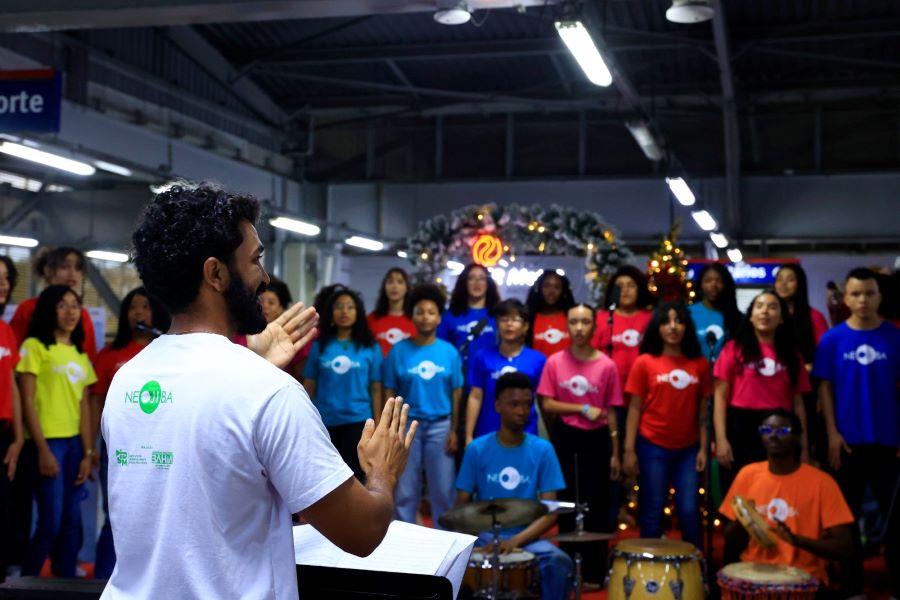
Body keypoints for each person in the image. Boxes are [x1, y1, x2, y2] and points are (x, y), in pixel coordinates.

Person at [101, 183, 416, 599]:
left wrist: (251, 362)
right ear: (216, 273)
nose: (265, 278)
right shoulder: (267, 391)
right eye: (255, 260)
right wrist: (382, 472)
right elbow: (363, 532)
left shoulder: (129, 379)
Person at [814, 267, 900, 600]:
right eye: (856, 294)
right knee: (846, 522)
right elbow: (825, 389)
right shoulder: (832, 339)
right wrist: (832, 435)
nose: (862, 300)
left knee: (894, 522)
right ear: (846, 298)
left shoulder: (894, 336)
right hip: (846, 444)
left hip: (888, 444)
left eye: (869, 293)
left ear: (879, 297)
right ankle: (851, 590)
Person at [456, 372, 573, 600]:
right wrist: (474, 542)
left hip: (529, 539)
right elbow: (460, 507)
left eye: (527, 404)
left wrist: (514, 542)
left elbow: (551, 512)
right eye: (514, 404)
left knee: (560, 562)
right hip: (485, 538)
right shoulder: (477, 449)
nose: (522, 411)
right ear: (497, 405)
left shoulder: (543, 450)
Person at [720, 409, 853, 597]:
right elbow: (730, 540)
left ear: (798, 438)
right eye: (766, 430)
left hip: (805, 581)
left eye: (782, 430)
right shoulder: (747, 475)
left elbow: (844, 547)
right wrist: (745, 521)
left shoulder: (822, 483)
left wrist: (798, 541)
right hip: (754, 578)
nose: (773, 436)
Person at [537, 303, 622, 585]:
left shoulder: (606, 364)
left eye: (585, 322)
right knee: (567, 504)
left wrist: (616, 453)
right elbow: (547, 404)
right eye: (574, 322)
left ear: (594, 327)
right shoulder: (555, 362)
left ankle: (595, 573)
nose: (579, 328)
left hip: (597, 439)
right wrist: (581, 408)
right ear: (566, 327)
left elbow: (611, 411)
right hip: (566, 437)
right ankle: (569, 572)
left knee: (596, 504)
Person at [88, 287, 170, 579]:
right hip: (117, 448)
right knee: (115, 516)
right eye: (133, 307)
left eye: (145, 306)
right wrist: (91, 448)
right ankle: (102, 581)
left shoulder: (167, 352)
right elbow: (95, 401)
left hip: (161, 447)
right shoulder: (109, 354)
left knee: (156, 516)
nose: (138, 313)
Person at [16, 285, 97, 577]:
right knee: (50, 523)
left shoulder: (79, 355)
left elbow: (85, 407)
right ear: (49, 309)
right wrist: (42, 449)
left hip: (75, 446)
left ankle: (65, 587)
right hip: (47, 444)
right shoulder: (34, 347)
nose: (70, 312)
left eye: (75, 305)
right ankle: (25, 583)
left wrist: (89, 453)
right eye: (62, 305)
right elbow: (26, 401)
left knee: (71, 524)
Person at [623, 303, 709, 549]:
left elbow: (703, 412)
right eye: (666, 321)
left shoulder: (700, 364)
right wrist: (629, 450)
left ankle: (696, 571)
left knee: (690, 510)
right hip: (652, 446)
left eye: (678, 320)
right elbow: (635, 409)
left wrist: (703, 448)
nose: (673, 327)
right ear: (657, 328)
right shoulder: (645, 362)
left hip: (689, 448)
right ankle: (649, 572)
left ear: (687, 326)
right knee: (652, 509)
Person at [714, 290, 811, 496]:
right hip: (740, 426)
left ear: (782, 317)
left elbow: (798, 402)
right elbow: (720, 397)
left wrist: (803, 445)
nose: (765, 312)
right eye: (759, 306)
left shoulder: (792, 355)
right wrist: (721, 439)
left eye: (772, 307)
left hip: (780, 429)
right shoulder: (733, 349)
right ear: (750, 316)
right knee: (739, 493)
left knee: (777, 491)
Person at [383, 284, 462, 528]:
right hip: (407, 429)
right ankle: (408, 547)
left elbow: (456, 392)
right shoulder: (399, 351)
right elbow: (389, 390)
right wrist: (389, 429)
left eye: (430, 312)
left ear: (439, 317)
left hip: (441, 427)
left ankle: (445, 547)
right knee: (405, 492)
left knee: (443, 492)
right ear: (412, 316)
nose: (425, 317)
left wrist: (454, 430)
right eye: (420, 312)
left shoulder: (449, 352)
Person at [303, 288, 383, 481]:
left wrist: (379, 425)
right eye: (339, 307)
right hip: (325, 422)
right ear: (331, 312)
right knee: (326, 479)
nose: (344, 311)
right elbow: (309, 385)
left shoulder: (370, 347)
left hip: (358, 422)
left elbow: (376, 388)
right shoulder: (319, 345)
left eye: (350, 307)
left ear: (358, 313)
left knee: (356, 478)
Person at [465, 299, 546, 445]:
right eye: (504, 319)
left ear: (525, 326)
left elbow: (542, 402)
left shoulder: (538, 360)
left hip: (526, 434)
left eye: (515, 319)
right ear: (497, 324)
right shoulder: (482, 357)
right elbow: (475, 396)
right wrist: (468, 436)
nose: (509, 324)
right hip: (487, 433)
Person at [9, 247, 99, 359]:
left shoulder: (82, 314)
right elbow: (11, 352)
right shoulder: (28, 308)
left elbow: (89, 358)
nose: (72, 273)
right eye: (64, 267)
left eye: (78, 268)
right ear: (47, 271)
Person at [591, 265, 655, 388]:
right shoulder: (601, 318)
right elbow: (591, 354)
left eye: (631, 285)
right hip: (607, 387)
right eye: (620, 286)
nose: (625, 290)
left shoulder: (650, 319)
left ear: (639, 289)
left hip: (643, 388)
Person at [0, 256, 24, 583]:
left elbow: (13, 385)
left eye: (6, 278)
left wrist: (18, 439)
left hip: (4, 437)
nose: (3, 284)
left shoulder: (6, 331)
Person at [437, 263, 500, 370]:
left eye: (481, 278)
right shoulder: (450, 316)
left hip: (490, 376)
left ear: (488, 284)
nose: (477, 283)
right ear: (464, 283)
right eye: (471, 278)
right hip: (458, 378)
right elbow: (440, 350)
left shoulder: (497, 315)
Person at [690, 263, 741, 361]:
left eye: (719, 280)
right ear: (700, 285)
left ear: (726, 285)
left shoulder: (738, 318)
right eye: (708, 280)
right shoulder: (688, 314)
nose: (714, 285)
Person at [258, 277, 304, 380]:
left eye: (271, 302)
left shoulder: (291, 336)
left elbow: (301, 375)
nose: (264, 306)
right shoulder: (247, 332)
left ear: (281, 308)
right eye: (261, 300)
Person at [368, 268, 416, 358]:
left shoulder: (415, 319)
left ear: (407, 288)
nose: (394, 286)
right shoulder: (372, 319)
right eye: (390, 282)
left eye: (400, 282)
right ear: (384, 287)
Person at [526, 270, 575, 358]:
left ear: (563, 292)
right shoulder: (529, 318)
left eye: (557, 287)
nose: (551, 291)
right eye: (547, 286)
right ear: (539, 289)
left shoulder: (571, 318)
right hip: (538, 370)